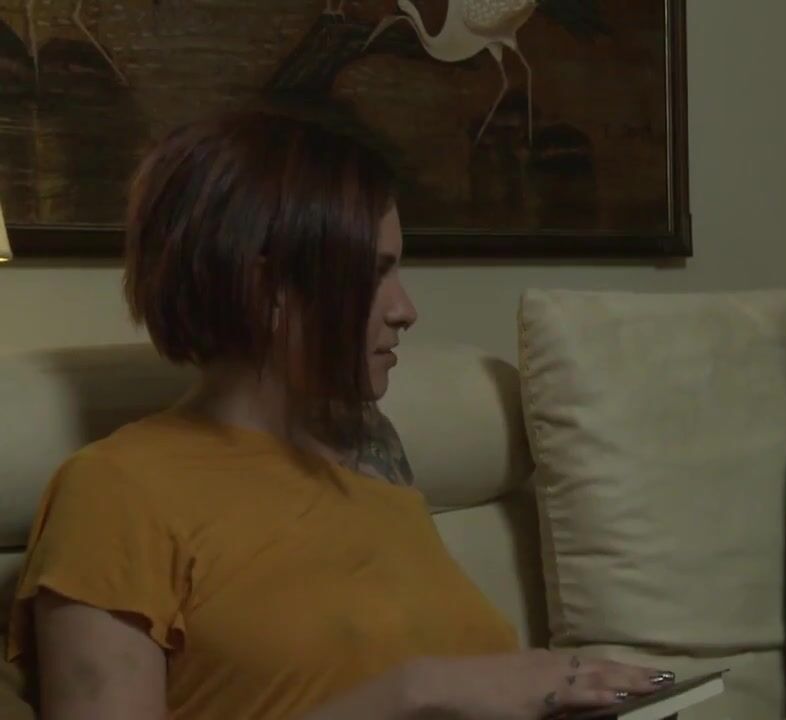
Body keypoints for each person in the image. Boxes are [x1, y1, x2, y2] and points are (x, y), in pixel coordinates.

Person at [5, 110, 674, 720]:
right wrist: (416, 691)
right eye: (373, 273)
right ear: (266, 286)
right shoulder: (116, 492)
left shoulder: (370, 456)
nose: (405, 309)